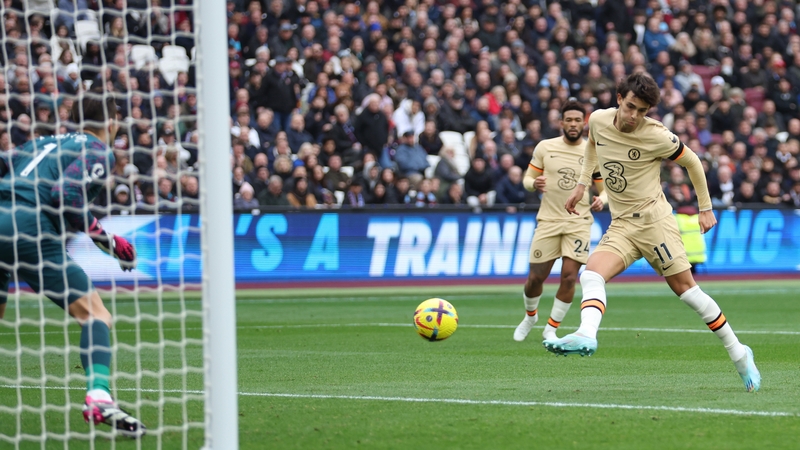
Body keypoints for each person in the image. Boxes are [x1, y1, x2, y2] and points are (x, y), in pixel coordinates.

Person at [554, 73, 760, 393]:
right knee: (591, 275)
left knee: (689, 293)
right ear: (619, 98)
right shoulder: (596, 120)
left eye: (643, 111)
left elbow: (692, 161)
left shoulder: (658, 136)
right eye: (631, 107)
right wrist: (582, 184)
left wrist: (705, 208)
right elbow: (592, 146)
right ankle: (586, 334)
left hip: (655, 223)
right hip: (622, 224)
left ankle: (739, 353)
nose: (634, 116)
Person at [0, 90, 146, 436]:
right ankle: (98, 396)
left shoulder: (40, 143)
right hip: (28, 228)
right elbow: (65, 195)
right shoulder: (97, 150)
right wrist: (108, 240)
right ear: (111, 121)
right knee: (95, 314)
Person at [513, 101, 605, 343]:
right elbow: (527, 178)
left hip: (579, 222)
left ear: (584, 123)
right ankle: (530, 316)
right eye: (569, 120)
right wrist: (534, 184)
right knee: (535, 278)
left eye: (577, 120)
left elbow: (604, 189)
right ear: (561, 122)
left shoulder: (592, 152)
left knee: (569, 276)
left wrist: (602, 200)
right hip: (548, 221)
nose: (573, 124)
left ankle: (551, 328)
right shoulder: (545, 147)